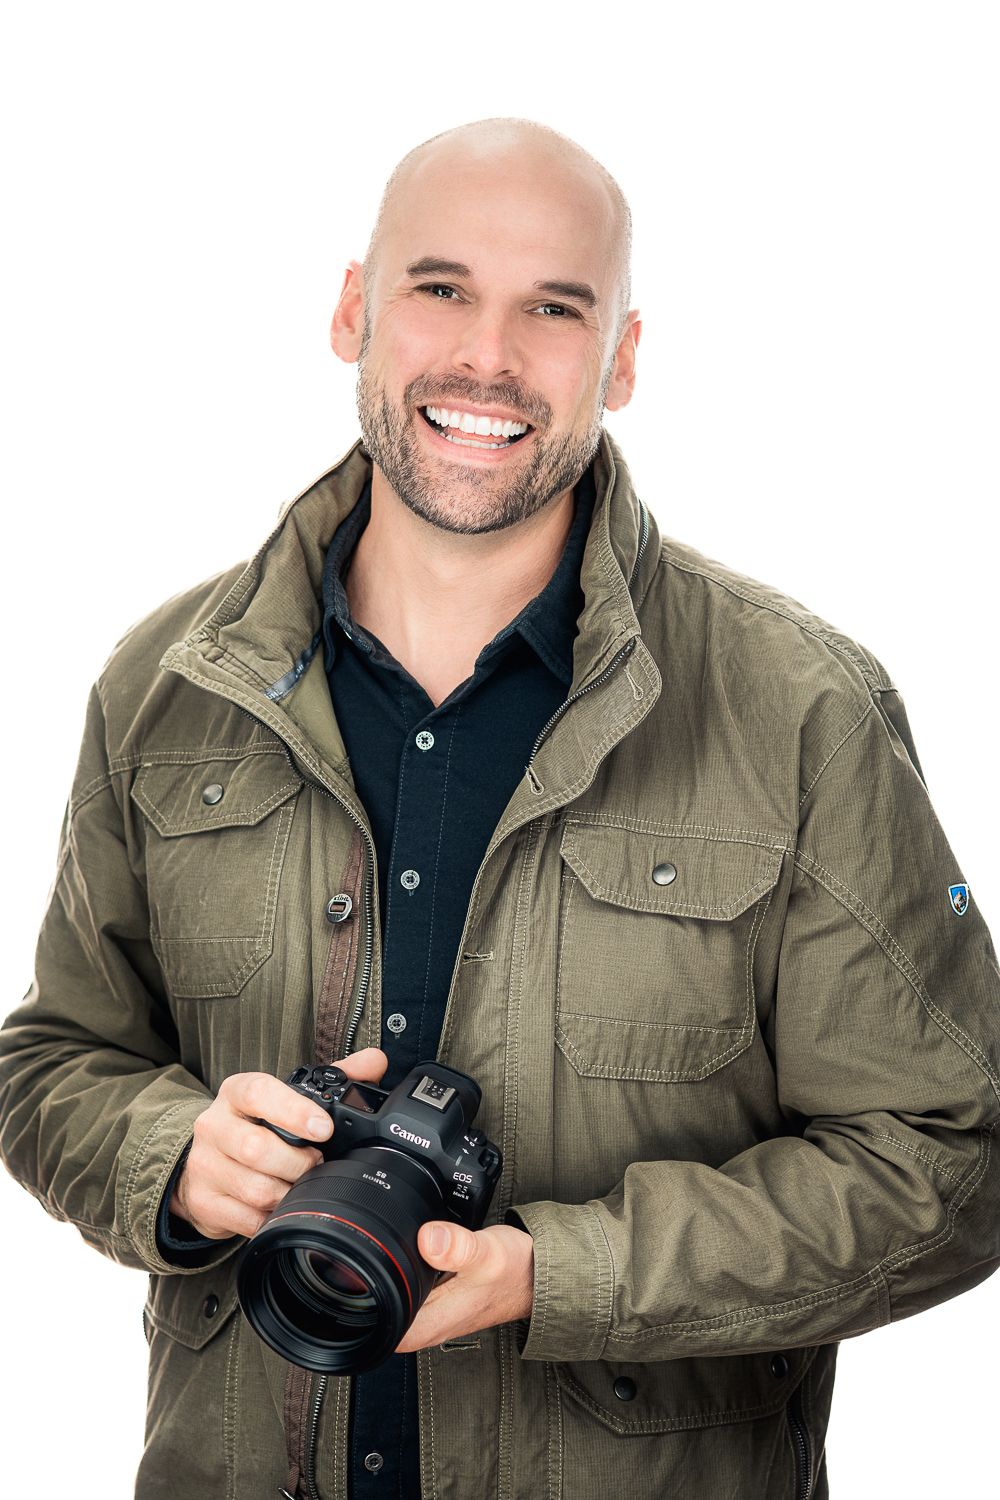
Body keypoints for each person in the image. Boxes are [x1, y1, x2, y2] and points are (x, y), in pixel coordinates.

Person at [1, 114, 998, 1500]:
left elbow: (951, 1157)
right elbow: (53, 1059)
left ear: (622, 359)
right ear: (352, 311)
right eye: (441, 287)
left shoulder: (802, 711)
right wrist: (174, 1157)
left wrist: (564, 1273)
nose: (488, 355)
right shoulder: (165, 686)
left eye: (554, 308)